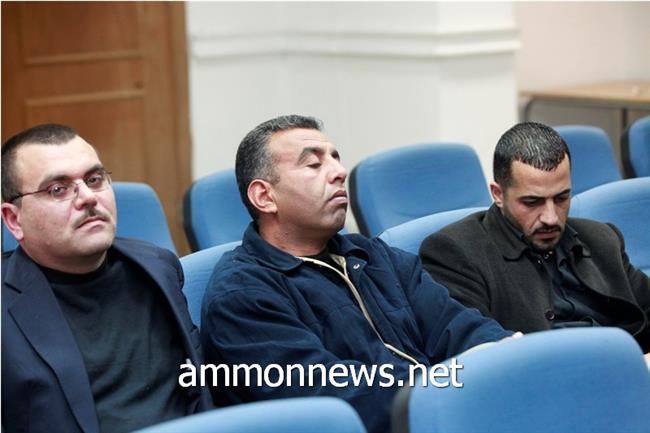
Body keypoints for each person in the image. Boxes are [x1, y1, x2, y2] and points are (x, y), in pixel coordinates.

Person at [200, 115, 514, 433]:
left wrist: (506, 355)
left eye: (335, 159)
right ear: (265, 197)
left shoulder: (372, 255)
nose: (339, 172)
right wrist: (449, 389)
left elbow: (458, 327)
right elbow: (335, 399)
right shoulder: (241, 295)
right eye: (314, 164)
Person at [1, 124, 212, 433]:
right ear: (14, 219)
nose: (87, 197)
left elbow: (197, 391)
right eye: (58, 189)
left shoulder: (157, 266)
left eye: (94, 179)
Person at [420, 121, 650, 355]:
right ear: (498, 194)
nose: (551, 218)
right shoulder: (454, 252)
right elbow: (481, 353)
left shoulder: (601, 239)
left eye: (561, 198)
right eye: (532, 202)